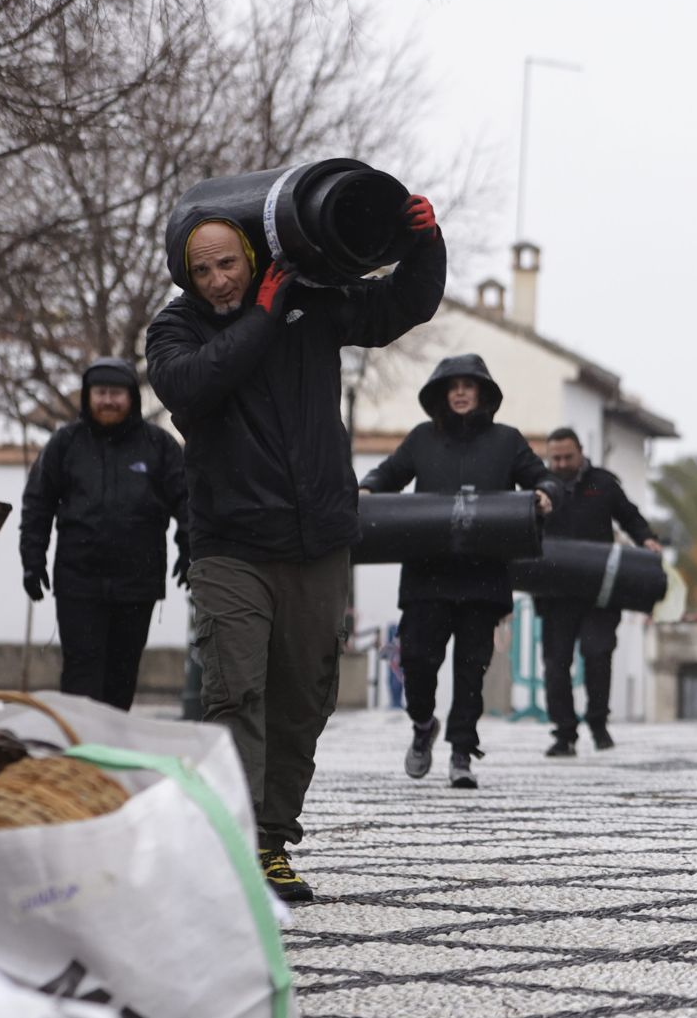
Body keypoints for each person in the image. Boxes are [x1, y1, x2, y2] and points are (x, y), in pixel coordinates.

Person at [146, 190, 444, 904]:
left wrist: (425, 241)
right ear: (187, 275)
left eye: (229, 263)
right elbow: (194, 383)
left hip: (318, 541)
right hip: (232, 547)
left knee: (304, 696)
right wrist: (264, 313)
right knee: (236, 690)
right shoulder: (175, 329)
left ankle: (273, 839)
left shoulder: (307, 307)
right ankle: (239, 842)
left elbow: (401, 305)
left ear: (250, 256)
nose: (219, 278)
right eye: (204, 268)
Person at [359, 355, 557, 789]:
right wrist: (368, 488)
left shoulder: (507, 441)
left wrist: (543, 493)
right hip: (426, 574)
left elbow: (542, 477)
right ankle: (422, 724)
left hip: (483, 578)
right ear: (442, 394)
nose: (462, 392)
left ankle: (462, 751)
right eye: (454, 386)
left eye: (470, 385)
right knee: (415, 660)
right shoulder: (422, 439)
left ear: (483, 393)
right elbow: (388, 473)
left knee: (471, 669)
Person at [19, 358, 190, 711]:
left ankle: (110, 754)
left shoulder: (158, 446)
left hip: (137, 584)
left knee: (121, 675)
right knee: (81, 674)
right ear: (88, 397)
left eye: (116, 393)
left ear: (132, 398)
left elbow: (188, 502)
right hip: (78, 582)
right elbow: (38, 504)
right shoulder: (65, 444)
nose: (108, 401)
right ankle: (79, 756)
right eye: (101, 393)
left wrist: (190, 549)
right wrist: (32, 560)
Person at [536, 426, 661, 757]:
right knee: (556, 663)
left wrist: (646, 538)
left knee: (598, 655)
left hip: (601, 590)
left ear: (581, 452)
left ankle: (598, 723)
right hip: (555, 592)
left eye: (568, 457)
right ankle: (564, 733)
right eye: (556, 458)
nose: (561, 463)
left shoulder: (603, 483)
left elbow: (630, 517)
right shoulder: (539, 488)